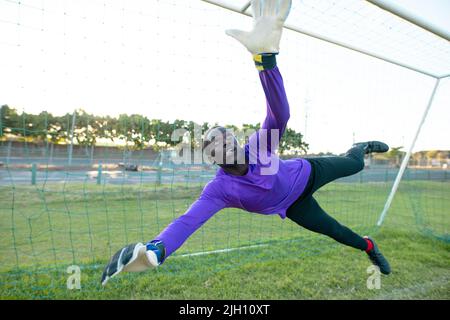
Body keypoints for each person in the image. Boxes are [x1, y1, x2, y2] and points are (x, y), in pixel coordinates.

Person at [101, 0, 390, 286]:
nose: (222, 144)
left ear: (235, 140)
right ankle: (369, 247)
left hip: (307, 172)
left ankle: (360, 146)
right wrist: (156, 250)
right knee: (337, 231)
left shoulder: (259, 146)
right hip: (292, 206)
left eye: (225, 137)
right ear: (213, 159)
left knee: (354, 163)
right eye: (213, 145)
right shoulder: (219, 190)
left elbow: (279, 113)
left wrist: (265, 61)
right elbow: (187, 221)